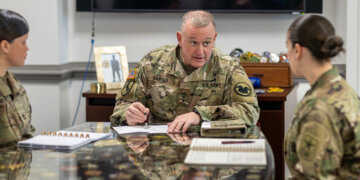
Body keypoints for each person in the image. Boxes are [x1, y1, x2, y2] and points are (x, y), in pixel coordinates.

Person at [110, 10, 259, 133]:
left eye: (206, 43)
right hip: (160, 154)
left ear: (214, 39)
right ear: (180, 39)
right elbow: (121, 108)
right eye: (193, 42)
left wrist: (200, 115)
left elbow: (249, 112)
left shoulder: (229, 68)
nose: (201, 51)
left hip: (207, 153)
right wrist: (128, 115)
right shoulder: (152, 63)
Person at [284, 14, 360, 179]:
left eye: (287, 47)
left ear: (297, 50)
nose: (286, 55)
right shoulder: (341, 88)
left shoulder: (320, 107)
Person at [0, 9, 35, 147]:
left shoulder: (14, 84)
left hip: (19, 166)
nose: (27, 48)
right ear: (5, 46)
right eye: (23, 42)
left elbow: (26, 132)